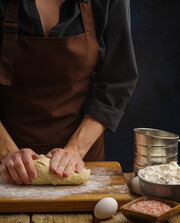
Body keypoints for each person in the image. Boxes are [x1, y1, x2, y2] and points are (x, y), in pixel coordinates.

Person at [0, 0, 137, 185]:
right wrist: (6, 151)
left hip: (82, 156)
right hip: (4, 161)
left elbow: (117, 81)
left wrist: (76, 150)